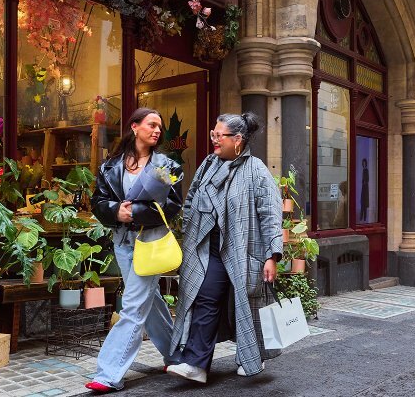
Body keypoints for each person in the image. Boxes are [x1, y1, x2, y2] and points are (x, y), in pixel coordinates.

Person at [166, 113, 283, 383]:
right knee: (205, 297)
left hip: (245, 249)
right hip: (211, 249)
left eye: (220, 135)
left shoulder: (256, 169)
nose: (215, 140)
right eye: (213, 134)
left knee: (249, 304)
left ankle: (252, 357)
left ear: (238, 140)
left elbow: (270, 213)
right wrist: (189, 226)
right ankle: (196, 364)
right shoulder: (208, 165)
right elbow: (192, 197)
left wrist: (271, 255)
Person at [86, 108, 185, 393]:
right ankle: (176, 354)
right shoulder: (111, 165)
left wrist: (136, 213)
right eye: (152, 124)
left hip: (150, 241)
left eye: (160, 126)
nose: (157, 130)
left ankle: (108, 374)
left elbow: (173, 205)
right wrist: (116, 211)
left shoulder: (166, 166)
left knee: (131, 307)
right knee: (148, 301)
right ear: (134, 126)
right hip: (122, 242)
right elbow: (98, 201)